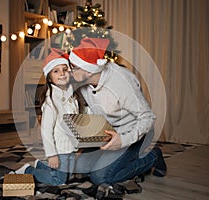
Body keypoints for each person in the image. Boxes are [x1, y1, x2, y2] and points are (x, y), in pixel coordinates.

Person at [68, 38, 167, 185]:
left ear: (88, 71)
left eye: (73, 66)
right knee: (80, 168)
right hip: (108, 133)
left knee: (100, 178)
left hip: (133, 134)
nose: (69, 70)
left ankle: (153, 156)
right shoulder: (82, 82)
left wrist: (123, 140)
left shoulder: (121, 82)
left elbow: (148, 117)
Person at [14, 48, 84, 186]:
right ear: (49, 77)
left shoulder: (73, 96)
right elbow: (46, 131)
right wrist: (52, 154)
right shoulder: (51, 102)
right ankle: (28, 170)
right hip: (59, 149)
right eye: (56, 71)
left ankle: (40, 165)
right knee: (58, 180)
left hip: (71, 147)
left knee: (68, 176)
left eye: (64, 69)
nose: (62, 73)